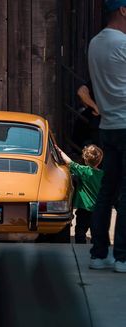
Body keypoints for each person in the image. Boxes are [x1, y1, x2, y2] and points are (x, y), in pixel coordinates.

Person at [88, 0, 126, 272]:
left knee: (106, 191)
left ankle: (99, 254)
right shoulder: (122, 44)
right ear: (123, 10)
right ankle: (123, 256)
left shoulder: (95, 43)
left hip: (108, 126)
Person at [56, 145, 104, 244]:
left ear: (85, 160)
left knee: (80, 231)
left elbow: (69, 162)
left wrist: (59, 150)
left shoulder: (84, 171)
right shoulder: (103, 175)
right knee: (96, 232)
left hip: (84, 209)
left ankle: (81, 247)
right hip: (98, 210)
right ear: (100, 160)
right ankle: (96, 249)